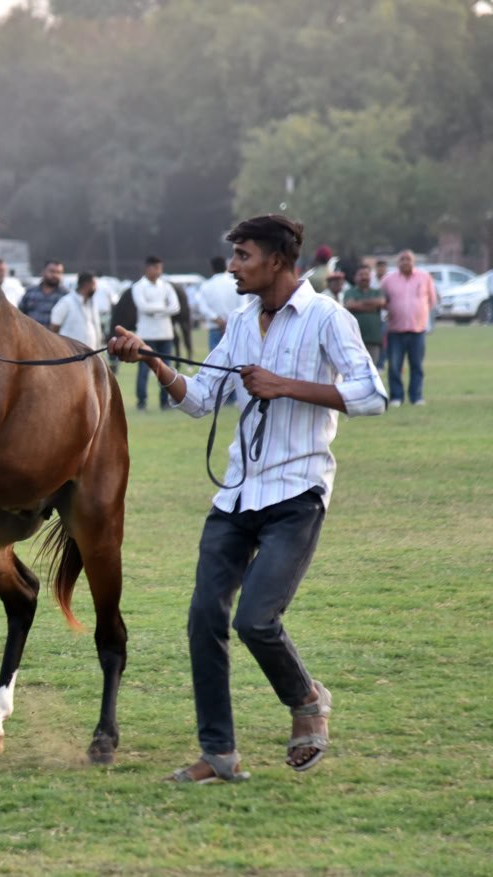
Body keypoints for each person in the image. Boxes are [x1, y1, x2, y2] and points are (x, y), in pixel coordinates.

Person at [110, 214, 385, 783]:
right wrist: (154, 361)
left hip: (297, 492)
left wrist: (285, 385)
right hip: (237, 495)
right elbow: (202, 398)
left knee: (257, 620)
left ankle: (307, 699)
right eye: (233, 256)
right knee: (203, 618)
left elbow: (371, 393)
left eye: (244, 256)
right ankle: (219, 756)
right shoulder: (239, 322)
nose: (233, 267)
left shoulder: (325, 317)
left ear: (278, 261)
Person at [379, 250, 436, 407]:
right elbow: (381, 299)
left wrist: (421, 314)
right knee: (395, 365)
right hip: (395, 331)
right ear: (398, 263)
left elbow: (432, 300)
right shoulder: (388, 280)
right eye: (402, 259)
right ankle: (396, 397)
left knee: (416, 365)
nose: (405, 262)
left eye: (408, 259)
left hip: (417, 330)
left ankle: (416, 396)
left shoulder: (424, 278)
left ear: (414, 261)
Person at [131, 255, 181, 410]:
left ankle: (165, 401)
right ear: (148, 268)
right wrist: (163, 308)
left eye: (161, 268)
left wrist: (157, 310)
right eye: (156, 268)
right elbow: (143, 307)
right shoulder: (139, 286)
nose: (159, 271)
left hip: (165, 333)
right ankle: (142, 401)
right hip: (147, 334)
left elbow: (176, 307)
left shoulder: (166, 286)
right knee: (144, 370)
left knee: (166, 369)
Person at [342, 265, 385, 368]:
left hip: (373, 340)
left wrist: (359, 304)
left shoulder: (377, 291)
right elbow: (350, 305)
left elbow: (381, 302)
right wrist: (372, 306)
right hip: (355, 341)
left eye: (366, 274)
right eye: (361, 275)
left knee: (373, 370)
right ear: (355, 277)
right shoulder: (350, 292)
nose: (364, 277)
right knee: (356, 369)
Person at [49, 270, 104, 348]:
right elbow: (54, 328)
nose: (96, 288)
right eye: (94, 284)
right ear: (86, 284)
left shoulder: (92, 303)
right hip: (69, 354)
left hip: (90, 354)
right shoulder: (66, 302)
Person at [197, 256, 241, 353]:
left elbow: (202, 307)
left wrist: (218, 319)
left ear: (212, 268)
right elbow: (243, 306)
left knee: (215, 364)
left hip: (215, 328)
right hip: (235, 328)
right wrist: (229, 322)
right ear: (226, 266)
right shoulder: (236, 284)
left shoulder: (206, 285)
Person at [18, 259, 67, 328]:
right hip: (29, 335)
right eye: (52, 271)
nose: (55, 275)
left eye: (59, 272)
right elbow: (19, 314)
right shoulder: (30, 292)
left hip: (53, 337)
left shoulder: (65, 296)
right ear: (43, 272)